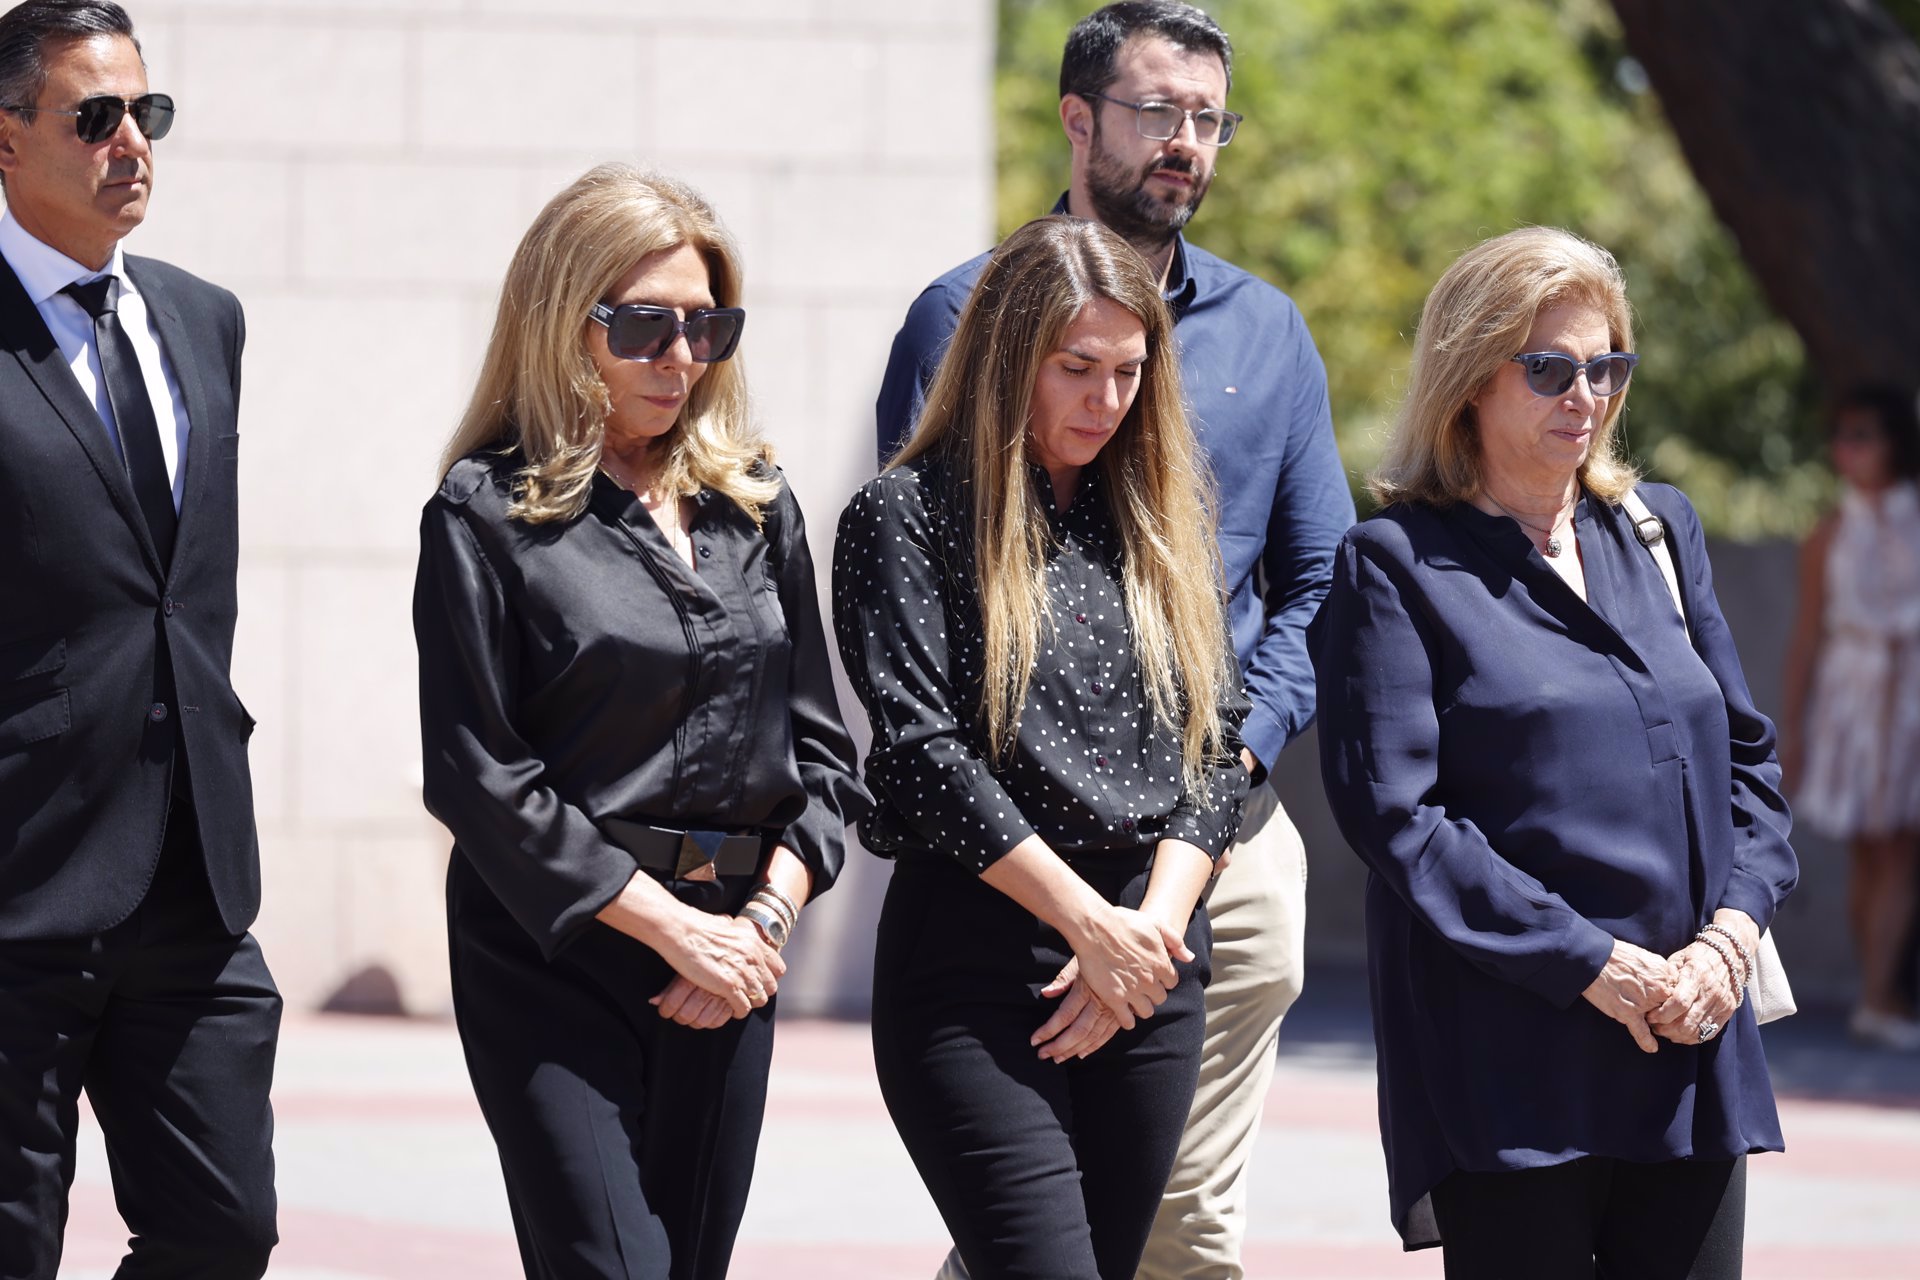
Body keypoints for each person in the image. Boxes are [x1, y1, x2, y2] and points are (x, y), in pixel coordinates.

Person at [874, 6, 1353, 1273]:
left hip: (1217, 852)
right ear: (1079, 121)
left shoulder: (1268, 332)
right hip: (1012, 867)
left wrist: (1227, 782)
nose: (1186, 143)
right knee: (1033, 1234)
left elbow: (1317, 585)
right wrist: (1088, 913)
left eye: (1209, 119)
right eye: (1158, 111)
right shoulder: (954, 316)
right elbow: (930, 646)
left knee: (1182, 1228)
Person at [1309, 226, 1798, 1276]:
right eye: (1549, 368)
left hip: (1689, 1037)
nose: (1586, 394)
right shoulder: (1394, 564)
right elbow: (1397, 814)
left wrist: (1728, 942)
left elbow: (1749, 767)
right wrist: (1591, 963)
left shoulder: (1662, 531)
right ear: (1469, 378)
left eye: (1606, 366)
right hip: (1512, 1056)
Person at [413, 163, 870, 1280]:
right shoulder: (486, 511)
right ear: (565, 325)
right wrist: (672, 927)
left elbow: (820, 749)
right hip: (558, 951)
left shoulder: (756, 501)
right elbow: (477, 771)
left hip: (735, 951)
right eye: (645, 326)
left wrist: (758, 925)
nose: (681, 357)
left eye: (707, 326)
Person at [835, 214, 1251, 1280]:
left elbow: (1218, 749)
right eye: (1076, 368)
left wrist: (1147, 934)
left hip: (1149, 968)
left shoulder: (1162, 522)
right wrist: (1087, 926)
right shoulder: (908, 514)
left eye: (1128, 371)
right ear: (1007, 355)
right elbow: (920, 757)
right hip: (977, 959)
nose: (1105, 402)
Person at [0, 3, 280, 1276]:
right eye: (92, 117)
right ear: (5, 138)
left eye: (146, 114)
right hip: (18, 879)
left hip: (190, 876)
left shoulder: (202, 320)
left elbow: (177, 599)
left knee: (224, 1231)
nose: (132, 143)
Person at [1782, 385, 1920, 1050]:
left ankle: (1878, 994)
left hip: (1911, 692)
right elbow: (1807, 638)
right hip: (1855, 697)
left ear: (1893, 441)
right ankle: (1879, 996)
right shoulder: (1829, 533)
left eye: (1862, 434)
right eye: (1841, 435)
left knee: (1898, 848)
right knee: (1873, 850)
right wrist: (1794, 729)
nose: (1848, 449)